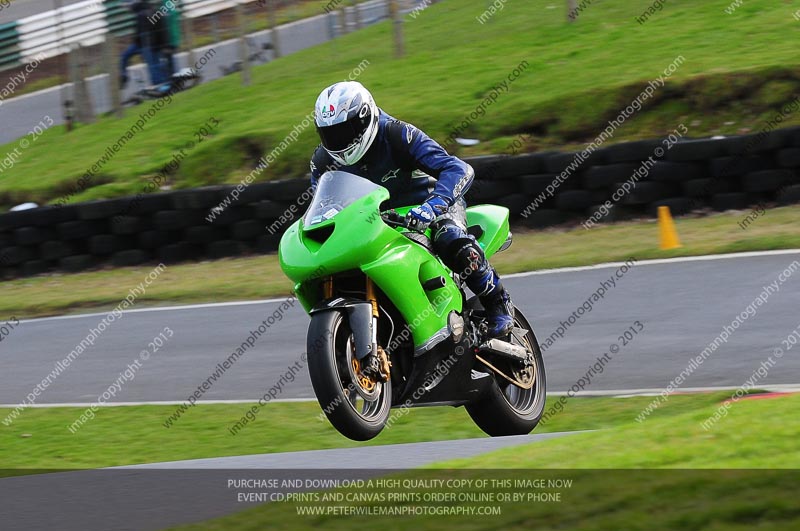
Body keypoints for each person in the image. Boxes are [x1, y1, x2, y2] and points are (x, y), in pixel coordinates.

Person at [310, 81, 514, 372]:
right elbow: (322, 204)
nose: (338, 141)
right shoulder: (322, 160)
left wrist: (432, 207)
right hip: (374, 223)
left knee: (450, 238)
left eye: (345, 131)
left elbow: (456, 168)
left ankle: (497, 304)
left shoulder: (396, 134)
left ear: (366, 118)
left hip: (429, 207)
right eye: (330, 134)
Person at [119, 0, 167, 87]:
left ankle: (161, 85)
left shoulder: (142, 14)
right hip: (147, 44)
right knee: (155, 66)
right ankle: (161, 84)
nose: (127, 9)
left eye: (127, 6)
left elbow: (144, 32)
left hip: (147, 45)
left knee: (154, 67)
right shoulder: (150, 10)